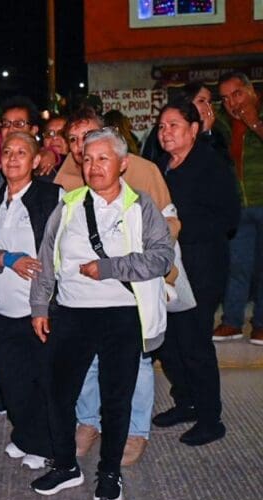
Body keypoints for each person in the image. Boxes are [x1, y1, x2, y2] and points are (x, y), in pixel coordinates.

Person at [29, 128, 173, 500]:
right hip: (72, 313)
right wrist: (40, 306)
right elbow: (47, 259)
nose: (93, 166)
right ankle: (65, 466)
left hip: (122, 315)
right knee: (58, 393)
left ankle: (109, 472)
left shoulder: (140, 206)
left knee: (116, 398)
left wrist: (109, 268)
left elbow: (162, 258)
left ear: (122, 164)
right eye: (88, 159)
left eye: (103, 158)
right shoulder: (69, 204)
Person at [55, 107, 175, 463]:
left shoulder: (143, 171)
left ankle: (136, 431)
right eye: (74, 140)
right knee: (89, 363)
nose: (83, 147)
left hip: (130, 292)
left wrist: (129, 267)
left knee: (137, 364)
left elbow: (169, 228)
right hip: (83, 298)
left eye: (90, 136)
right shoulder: (66, 176)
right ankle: (88, 422)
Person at [0, 132, 62, 470]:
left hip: (39, 310)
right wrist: (8, 259)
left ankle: (46, 445)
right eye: (7, 152)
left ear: (36, 161)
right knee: (10, 381)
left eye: (22, 152)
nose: (12, 158)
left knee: (43, 381)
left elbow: (60, 251)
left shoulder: (52, 196)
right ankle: (25, 436)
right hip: (0, 309)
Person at [152, 101, 241, 445]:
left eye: (173, 125)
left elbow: (229, 218)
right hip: (169, 267)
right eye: (161, 127)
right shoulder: (162, 166)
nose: (165, 133)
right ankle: (185, 402)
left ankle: (209, 418)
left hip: (201, 265)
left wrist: (178, 229)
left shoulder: (210, 165)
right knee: (169, 342)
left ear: (193, 129)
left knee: (194, 343)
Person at [212, 72, 263, 345]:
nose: (232, 103)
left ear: (251, 90)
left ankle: (261, 325)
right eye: (225, 98)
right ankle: (232, 322)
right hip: (237, 207)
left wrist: (254, 123)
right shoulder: (221, 124)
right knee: (237, 265)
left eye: (237, 94)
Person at [142, 83, 228, 164]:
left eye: (209, 102)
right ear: (187, 101)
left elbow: (219, 162)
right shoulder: (163, 130)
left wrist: (206, 133)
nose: (207, 107)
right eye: (201, 101)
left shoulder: (216, 134)